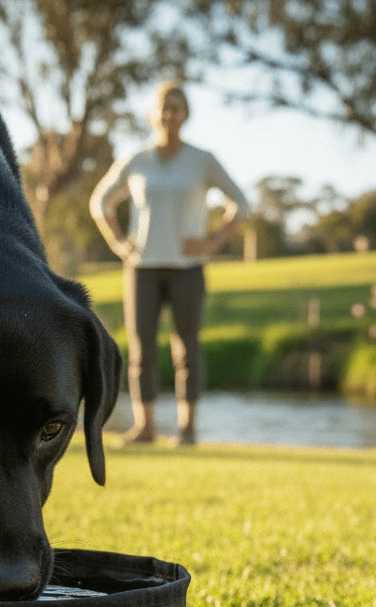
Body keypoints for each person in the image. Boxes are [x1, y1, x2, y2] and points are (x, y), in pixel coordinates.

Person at [90, 83, 250, 444]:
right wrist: (118, 241)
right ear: (153, 114)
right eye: (163, 108)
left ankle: (187, 429)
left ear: (186, 114)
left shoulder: (202, 160)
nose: (169, 115)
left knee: (187, 349)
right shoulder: (137, 159)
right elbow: (100, 202)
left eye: (176, 108)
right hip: (142, 267)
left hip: (187, 269)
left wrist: (214, 241)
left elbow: (241, 203)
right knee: (141, 350)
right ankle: (145, 427)